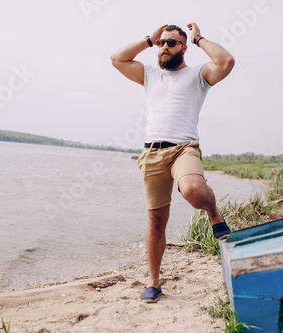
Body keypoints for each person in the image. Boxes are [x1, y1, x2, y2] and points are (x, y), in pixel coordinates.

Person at [110, 23, 235, 303]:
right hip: (151, 154)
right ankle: (154, 282)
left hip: (184, 148)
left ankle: (213, 212)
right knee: (156, 221)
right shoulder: (149, 75)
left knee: (193, 190)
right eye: (162, 43)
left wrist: (199, 38)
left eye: (171, 43)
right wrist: (148, 39)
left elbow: (226, 61)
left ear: (183, 48)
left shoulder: (198, 74)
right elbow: (117, 59)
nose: (164, 47)